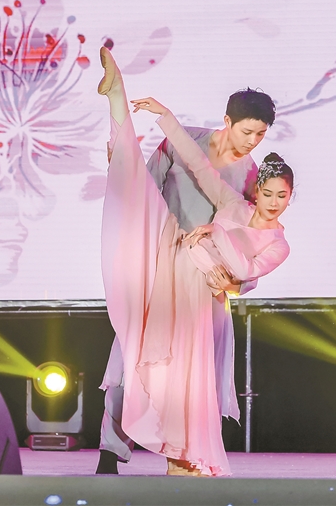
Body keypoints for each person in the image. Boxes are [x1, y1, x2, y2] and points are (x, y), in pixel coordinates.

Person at [97, 46, 293, 476]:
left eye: (261, 135)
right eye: (247, 132)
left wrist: (234, 283)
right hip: (159, 255)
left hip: (202, 279)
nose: (252, 141)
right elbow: (147, 190)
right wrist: (125, 170)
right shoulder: (184, 141)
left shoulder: (253, 178)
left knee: (189, 375)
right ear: (227, 121)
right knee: (133, 355)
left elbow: (253, 239)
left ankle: (183, 456)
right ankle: (110, 452)